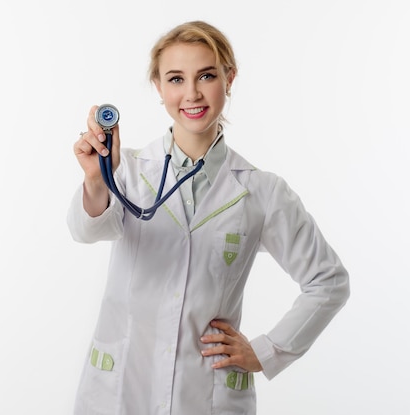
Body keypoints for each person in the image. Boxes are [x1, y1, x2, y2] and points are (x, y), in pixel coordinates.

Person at [67, 20, 349, 415]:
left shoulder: (262, 191)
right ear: (159, 87)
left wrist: (266, 351)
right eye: (176, 79)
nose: (192, 93)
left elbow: (329, 281)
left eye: (207, 75)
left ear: (229, 79)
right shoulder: (126, 170)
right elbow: (87, 230)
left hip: (208, 395)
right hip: (121, 388)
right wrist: (98, 180)